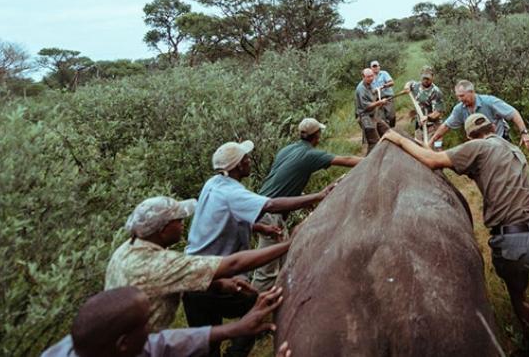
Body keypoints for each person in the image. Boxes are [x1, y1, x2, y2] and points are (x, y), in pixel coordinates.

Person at [382, 115, 529, 357]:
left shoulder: (476, 147)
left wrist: (395, 136)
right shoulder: (512, 149)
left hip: (511, 243)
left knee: (520, 298)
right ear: (492, 127)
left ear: (470, 136)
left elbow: (431, 160)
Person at [183, 140, 335, 357]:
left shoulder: (213, 184)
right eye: (245, 158)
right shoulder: (231, 192)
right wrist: (318, 196)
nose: (249, 161)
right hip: (211, 276)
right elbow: (271, 204)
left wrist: (260, 227)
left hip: (192, 275)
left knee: (207, 342)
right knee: (258, 306)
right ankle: (236, 352)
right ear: (236, 167)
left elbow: (223, 219)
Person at [105, 196, 292, 332]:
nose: (183, 224)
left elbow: (164, 281)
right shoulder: (160, 263)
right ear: (162, 230)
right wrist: (290, 244)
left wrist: (216, 283)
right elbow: (233, 264)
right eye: (178, 220)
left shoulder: (126, 249)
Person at [251, 118, 361, 291]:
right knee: (266, 271)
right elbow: (346, 159)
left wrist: (301, 197)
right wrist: (373, 160)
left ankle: (278, 300)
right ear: (316, 136)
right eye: (319, 133)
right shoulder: (310, 154)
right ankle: (253, 310)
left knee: (283, 260)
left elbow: (281, 181)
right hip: (270, 216)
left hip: (265, 209)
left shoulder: (286, 150)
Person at [41, 285, 287, 357]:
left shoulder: (96, 344)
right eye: (145, 325)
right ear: (123, 343)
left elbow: (165, 343)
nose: (152, 330)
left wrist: (236, 328)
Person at [427, 79, 529, 150]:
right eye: (458, 96)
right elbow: (446, 126)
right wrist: (431, 141)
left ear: (472, 92)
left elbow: (513, 113)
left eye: (462, 96)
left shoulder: (489, 102)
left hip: (500, 143)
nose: (460, 99)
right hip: (480, 147)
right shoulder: (459, 109)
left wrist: (524, 133)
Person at [403, 66, 445, 148]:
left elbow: (439, 112)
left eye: (428, 78)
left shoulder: (436, 92)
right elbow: (410, 82)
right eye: (424, 78)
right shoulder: (416, 86)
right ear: (421, 76)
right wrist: (407, 86)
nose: (425, 80)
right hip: (419, 125)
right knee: (418, 149)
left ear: (432, 77)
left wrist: (427, 118)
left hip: (434, 127)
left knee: (436, 149)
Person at [355, 67, 390, 155]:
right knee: (374, 142)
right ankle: (368, 161)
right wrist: (379, 102)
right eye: (368, 77)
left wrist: (380, 102)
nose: (371, 78)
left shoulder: (370, 84)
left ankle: (386, 153)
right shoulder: (361, 89)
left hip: (374, 115)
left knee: (387, 131)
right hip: (365, 117)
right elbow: (366, 107)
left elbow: (372, 98)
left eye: (372, 76)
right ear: (363, 77)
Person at [370, 60, 397, 127]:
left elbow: (392, 82)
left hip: (388, 97)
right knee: (381, 118)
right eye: (374, 67)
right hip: (377, 100)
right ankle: (385, 132)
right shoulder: (370, 77)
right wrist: (373, 91)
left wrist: (384, 86)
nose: (375, 68)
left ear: (379, 67)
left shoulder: (384, 73)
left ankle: (392, 128)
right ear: (371, 68)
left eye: (376, 66)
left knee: (391, 116)